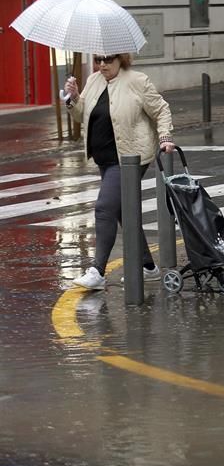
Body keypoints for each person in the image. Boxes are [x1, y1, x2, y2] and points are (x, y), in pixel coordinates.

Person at [64, 53, 176, 290]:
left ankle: (97, 271)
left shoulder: (137, 81)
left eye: (108, 59)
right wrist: (73, 98)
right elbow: (82, 115)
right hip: (104, 159)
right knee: (124, 212)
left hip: (129, 158)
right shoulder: (94, 80)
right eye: (98, 59)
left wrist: (165, 137)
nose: (102, 64)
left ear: (121, 59)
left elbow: (161, 110)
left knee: (105, 207)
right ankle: (148, 267)